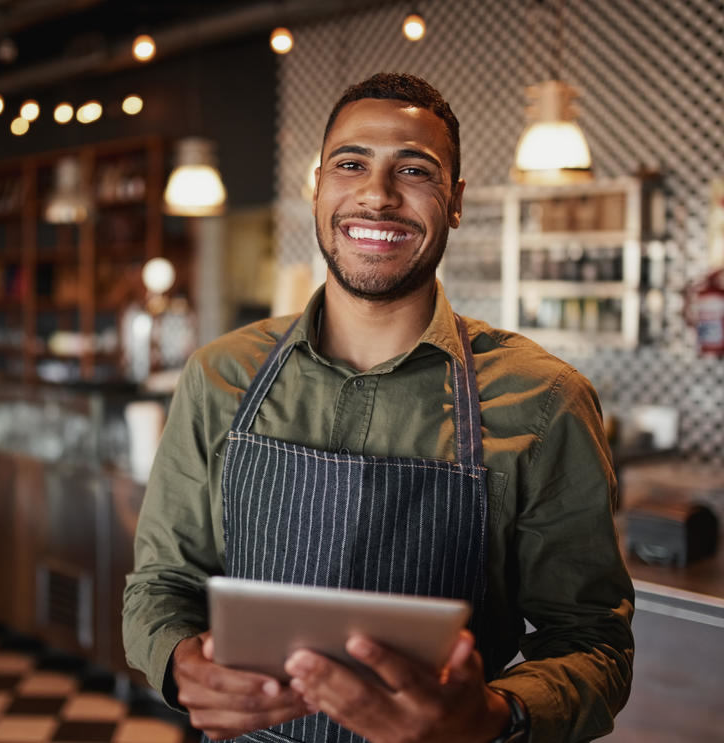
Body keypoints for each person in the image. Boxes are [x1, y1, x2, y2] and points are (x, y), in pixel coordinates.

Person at [123, 72, 634, 743]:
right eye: (351, 163)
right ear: (317, 187)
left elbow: (593, 642)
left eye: (414, 169)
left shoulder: (546, 400)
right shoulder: (222, 375)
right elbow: (160, 583)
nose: (376, 194)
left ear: (454, 202)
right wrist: (178, 660)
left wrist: (491, 713)